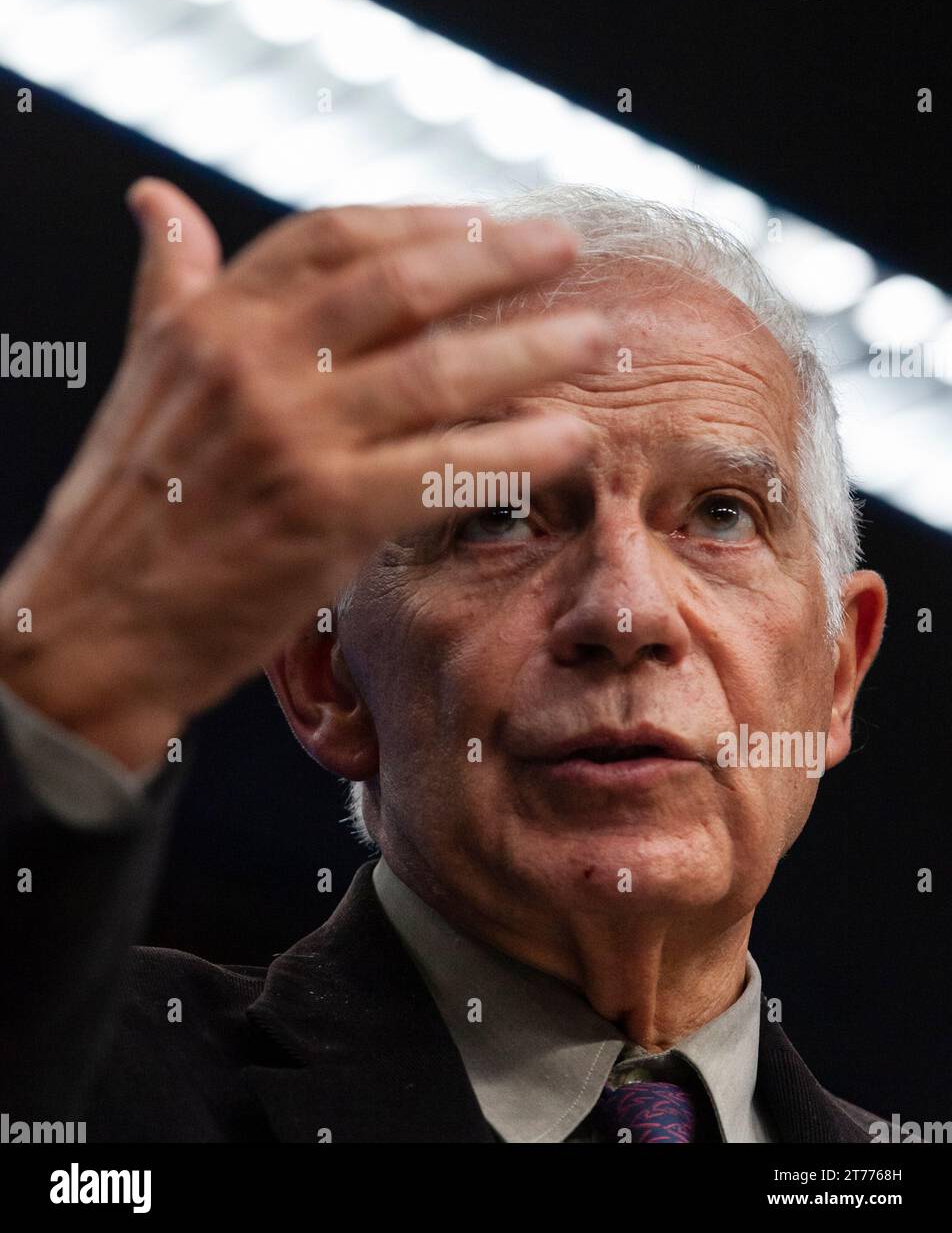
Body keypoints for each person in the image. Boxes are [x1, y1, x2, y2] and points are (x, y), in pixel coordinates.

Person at [0, 179, 887, 1142]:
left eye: (722, 515)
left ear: (838, 676)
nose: (626, 611)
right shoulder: (94, 1093)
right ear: (324, 675)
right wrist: (65, 683)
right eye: (500, 518)